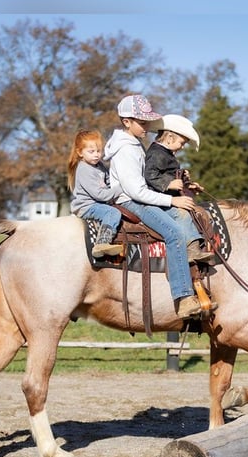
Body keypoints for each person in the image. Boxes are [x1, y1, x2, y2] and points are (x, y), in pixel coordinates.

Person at [103, 94, 214, 319]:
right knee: (173, 234)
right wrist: (172, 199)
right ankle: (183, 297)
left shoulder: (134, 145)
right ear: (127, 122)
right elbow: (136, 190)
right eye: (142, 123)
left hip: (141, 198)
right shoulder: (125, 150)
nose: (147, 127)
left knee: (186, 214)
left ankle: (194, 252)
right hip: (131, 201)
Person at [68, 129, 123, 258]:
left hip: (97, 203)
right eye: (91, 151)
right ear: (80, 152)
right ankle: (102, 243)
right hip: (87, 206)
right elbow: (99, 194)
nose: (96, 155)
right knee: (112, 213)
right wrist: (121, 188)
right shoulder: (84, 169)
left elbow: (109, 183)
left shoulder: (100, 166)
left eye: (99, 151)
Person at [144, 114, 205, 198]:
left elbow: (168, 173)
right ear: (170, 138)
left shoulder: (166, 153)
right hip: (159, 198)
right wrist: (168, 184)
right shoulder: (157, 153)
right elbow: (150, 174)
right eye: (182, 143)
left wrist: (186, 182)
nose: (183, 147)